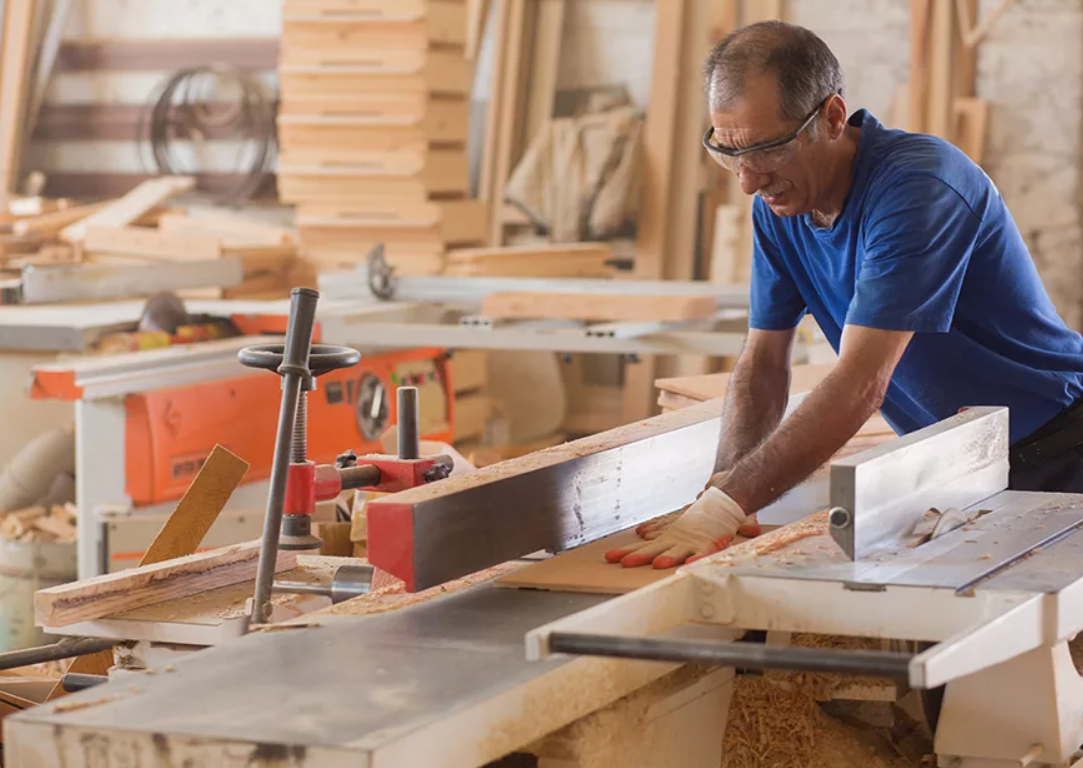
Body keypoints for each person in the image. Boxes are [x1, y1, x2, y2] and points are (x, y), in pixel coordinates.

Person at [606, 21, 1083, 570]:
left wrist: (726, 504)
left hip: (1059, 449)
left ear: (832, 117)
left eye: (768, 150)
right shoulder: (781, 206)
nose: (748, 182)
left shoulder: (919, 187)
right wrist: (722, 495)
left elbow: (861, 383)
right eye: (729, 153)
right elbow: (763, 363)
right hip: (962, 459)